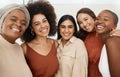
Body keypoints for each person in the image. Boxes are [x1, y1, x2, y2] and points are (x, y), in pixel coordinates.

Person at [21, 0, 59, 77]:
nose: (43, 26)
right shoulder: (24, 48)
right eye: (37, 24)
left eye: (44, 21)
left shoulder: (55, 43)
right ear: (31, 28)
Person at [0, 4, 33, 77]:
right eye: (13, 19)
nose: (18, 24)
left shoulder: (19, 48)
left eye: (23, 23)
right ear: (2, 20)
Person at [76, 8, 103, 77]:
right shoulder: (81, 38)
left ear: (93, 17)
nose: (84, 24)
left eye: (86, 19)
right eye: (80, 22)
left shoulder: (104, 34)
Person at [95, 10, 120, 77]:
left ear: (114, 26)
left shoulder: (112, 42)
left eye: (105, 19)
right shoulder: (107, 42)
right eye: (97, 18)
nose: (99, 21)